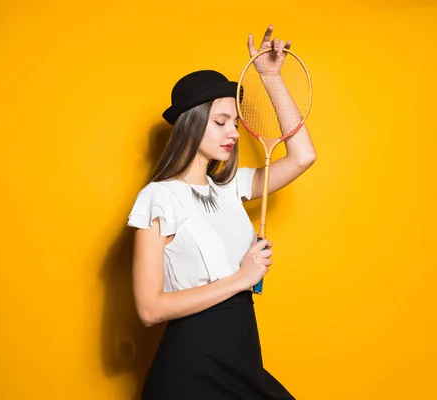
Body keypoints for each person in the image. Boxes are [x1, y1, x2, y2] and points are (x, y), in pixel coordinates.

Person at [126, 25, 316, 400]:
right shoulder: (159, 197)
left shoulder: (230, 189)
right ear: (193, 123)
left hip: (243, 357)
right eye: (220, 121)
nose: (232, 132)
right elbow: (149, 309)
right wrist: (242, 277)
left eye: (235, 121)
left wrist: (271, 77)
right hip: (192, 368)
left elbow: (303, 156)